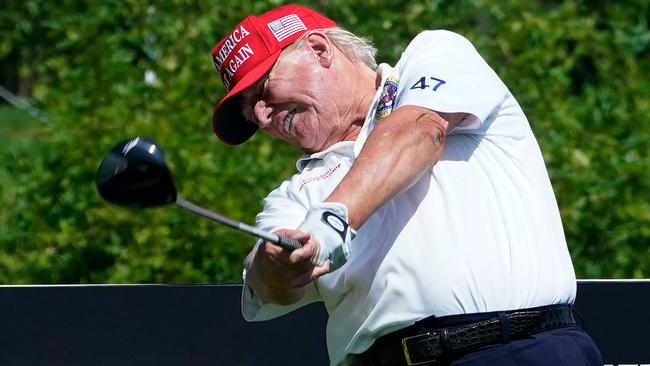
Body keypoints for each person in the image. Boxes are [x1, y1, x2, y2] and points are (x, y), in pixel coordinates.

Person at [210, 4, 602, 366]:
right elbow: (264, 278)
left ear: (319, 49)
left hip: (520, 348)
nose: (261, 117)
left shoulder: (432, 55)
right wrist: (277, 265)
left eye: (262, 90)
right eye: (250, 111)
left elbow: (420, 133)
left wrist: (331, 221)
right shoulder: (296, 192)